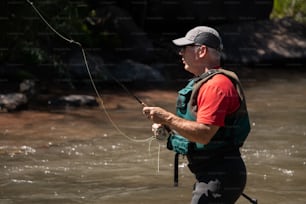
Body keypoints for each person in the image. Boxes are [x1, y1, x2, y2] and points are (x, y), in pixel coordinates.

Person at [143, 26, 251, 204]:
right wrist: (169, 131)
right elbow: (197, 130)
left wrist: (167, 118)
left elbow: (204, 133)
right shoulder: (208, 83)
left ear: (201, 51)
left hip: (220, 176)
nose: (181, 53)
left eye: (184, 48)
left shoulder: (215, 86)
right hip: (215, 174)